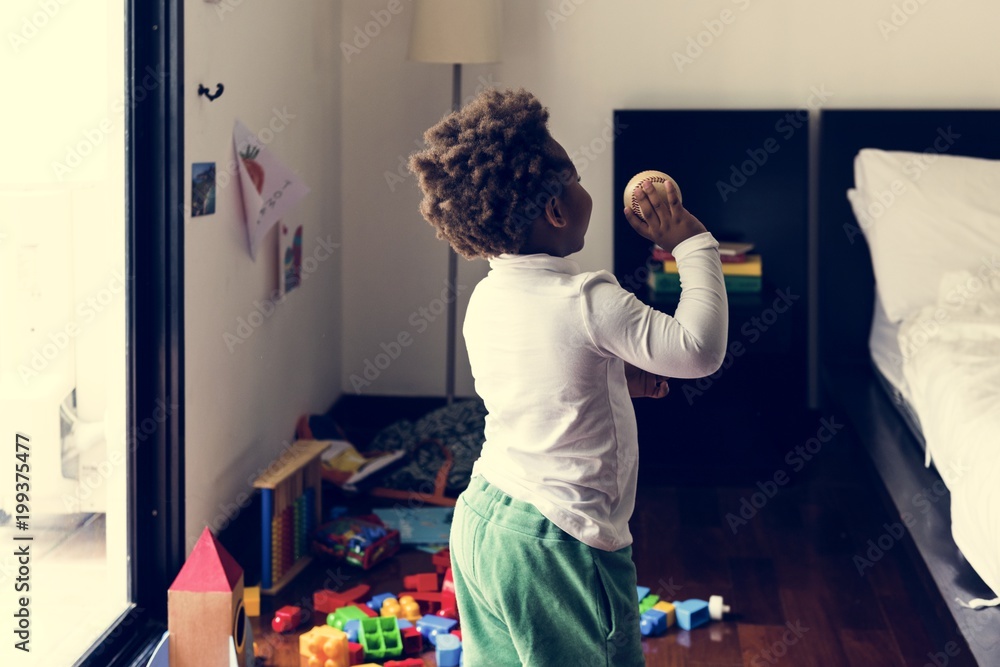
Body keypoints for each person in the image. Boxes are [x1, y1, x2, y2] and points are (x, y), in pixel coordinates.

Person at [408, 88, 728, 666]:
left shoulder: (484, 298)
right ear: (557, 210)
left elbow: (538, 388)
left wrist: (611, 382)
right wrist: (689, 242)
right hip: (561, 544)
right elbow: (698, 349)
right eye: (576, 179)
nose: (587, 191)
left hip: (482, 520)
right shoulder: (589, 297)